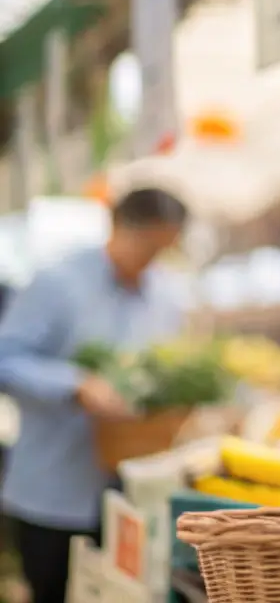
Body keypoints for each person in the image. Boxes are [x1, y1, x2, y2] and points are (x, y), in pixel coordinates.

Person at [0, 188, 190, 603]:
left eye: (165, 249)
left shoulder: (166, 295)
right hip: (53, 490)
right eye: (149, 246)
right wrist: (74, 385)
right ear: (119, 227)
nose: (153, 260)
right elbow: (5, 358)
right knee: (51, 590)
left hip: (131, 492)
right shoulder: (56, 282)